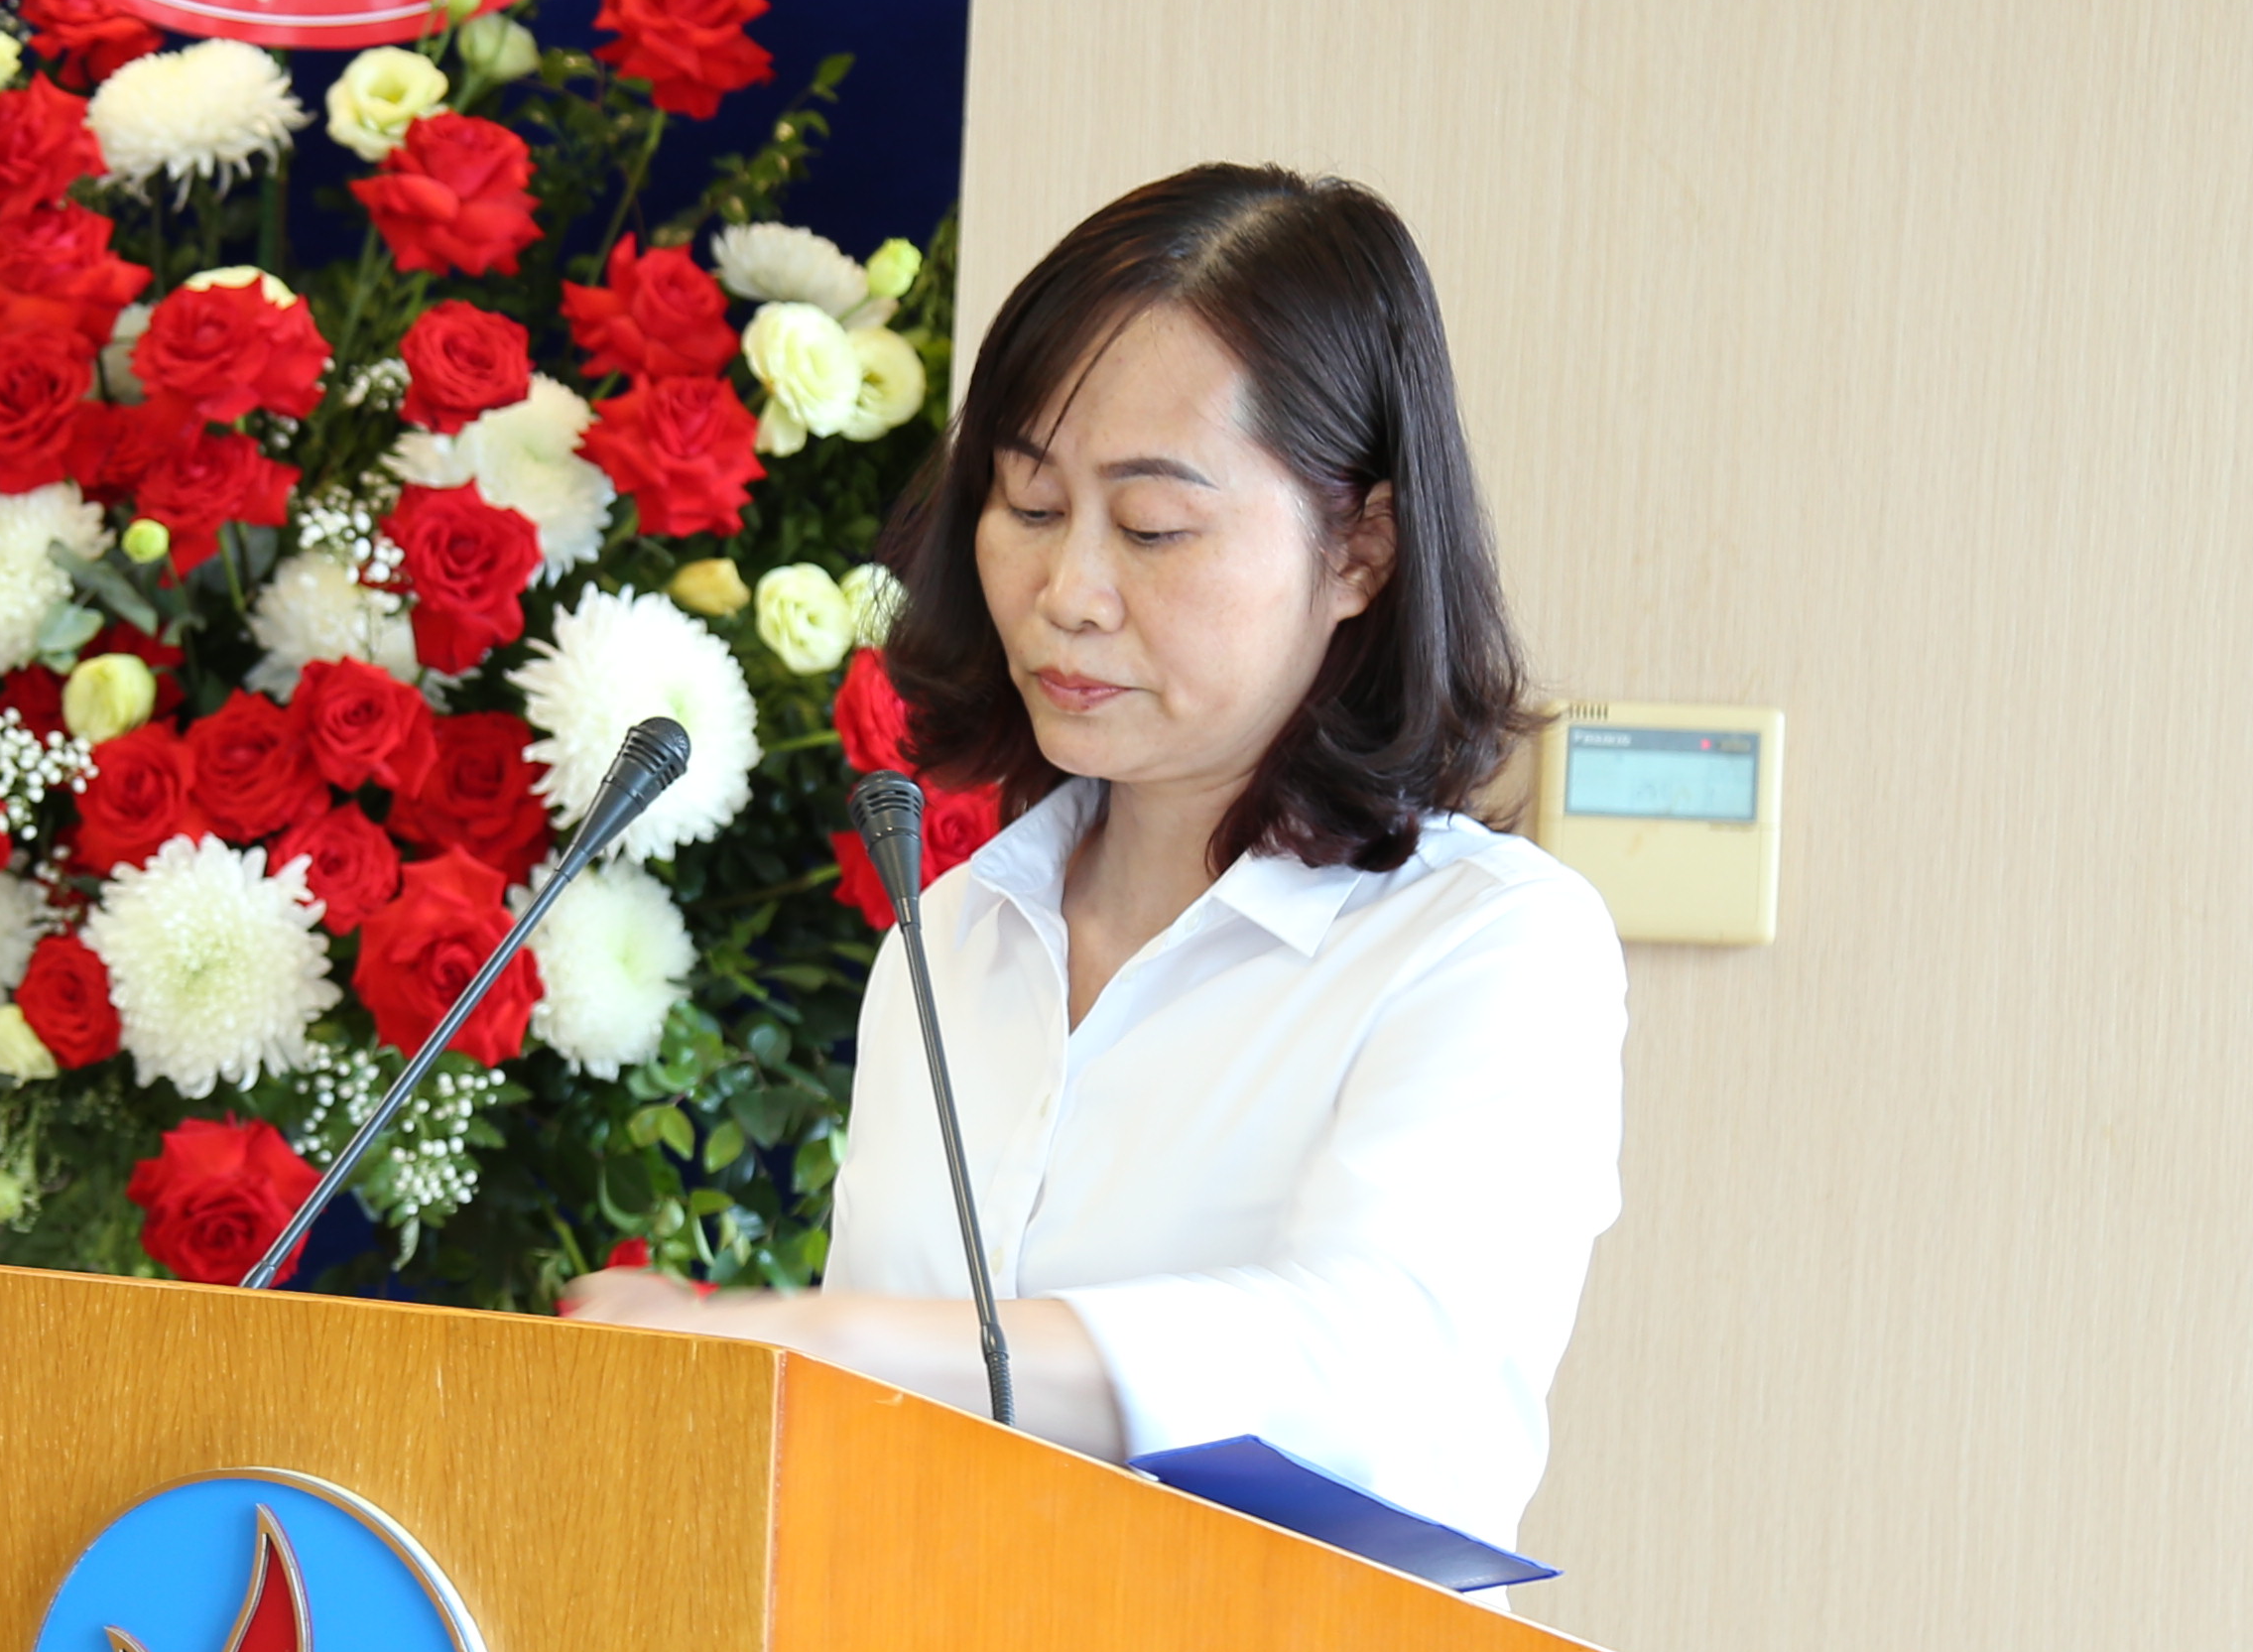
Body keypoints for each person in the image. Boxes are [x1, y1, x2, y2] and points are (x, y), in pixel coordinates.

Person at [555, 165, 1624, 1558]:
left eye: (1155, 527)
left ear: (1360, 549)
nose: (1067, 593)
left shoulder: (1491, 943)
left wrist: (815, 1338)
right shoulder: (958, 932)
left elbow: (1375, 1367)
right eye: (1031, 505)